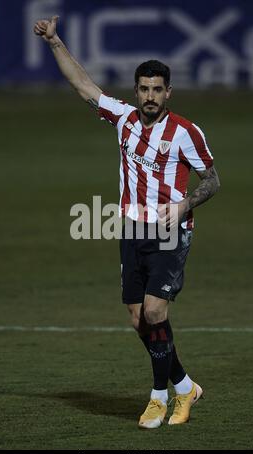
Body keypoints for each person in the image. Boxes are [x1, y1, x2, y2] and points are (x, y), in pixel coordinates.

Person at [34, 16, 220, 429]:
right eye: (144, 89)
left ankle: (159, 399)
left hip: (170, 231)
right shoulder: (124, 120)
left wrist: (186, 204)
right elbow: (83, 86)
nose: (150, 96)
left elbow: (213, 180)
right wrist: (54, 41)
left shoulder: (187, 132)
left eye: (157, 90)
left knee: (155, 312)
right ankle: (185, 385)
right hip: (131, 229)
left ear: (168, 92)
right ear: (136, 91)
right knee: (138, 318)